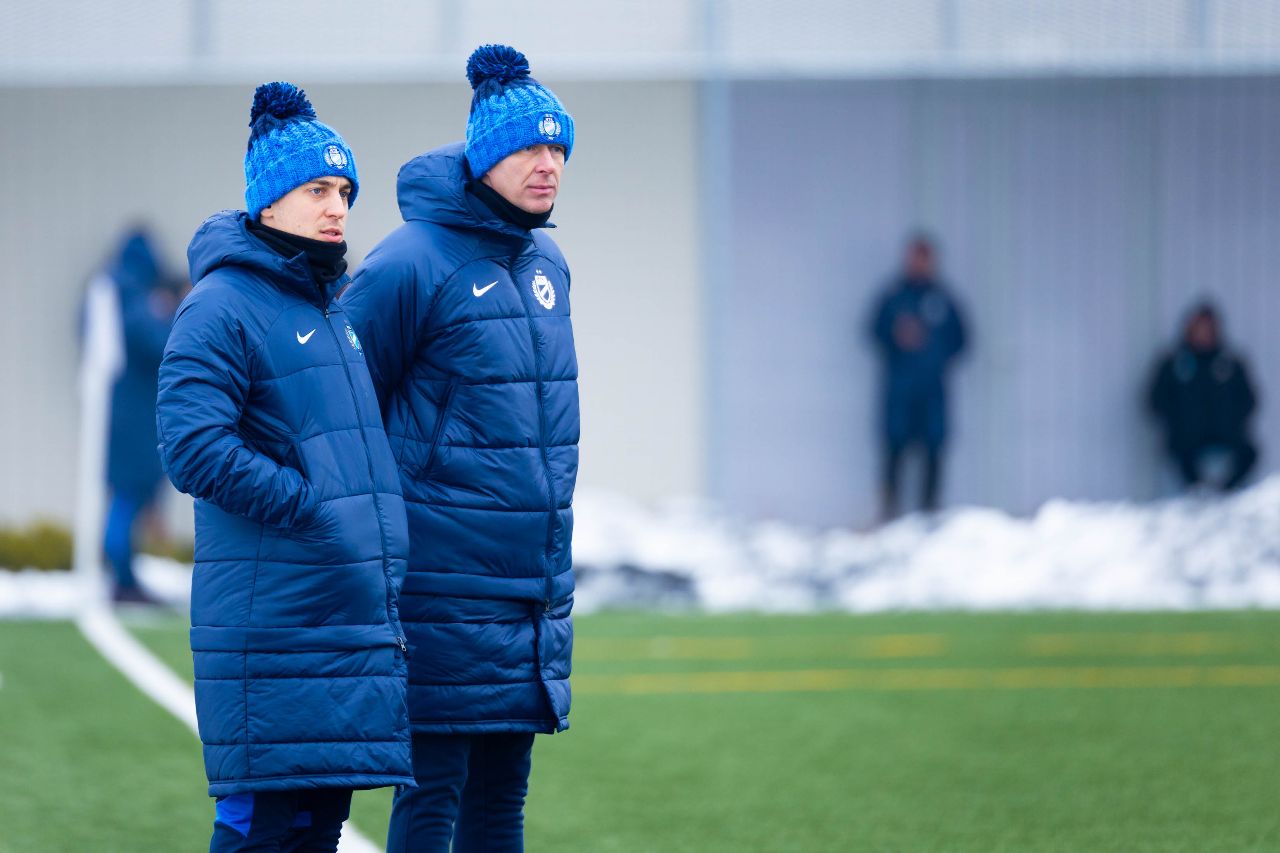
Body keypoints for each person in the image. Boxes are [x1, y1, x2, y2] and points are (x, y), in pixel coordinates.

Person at [155, 82, 413, 852]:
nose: (337, 208)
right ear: (269, 201)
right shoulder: (221, 304)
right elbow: (191, 444)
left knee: (318, 823)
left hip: (340, 614)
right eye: (317, 190)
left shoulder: (328, 306)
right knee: (260, 823)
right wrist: (308, 506)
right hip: (272, 619)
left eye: (344, 192)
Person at [341, 44, 577, 852]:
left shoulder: (548, 263)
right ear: (484, 156)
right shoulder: (410, 262)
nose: (548, 165)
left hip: (528, 589)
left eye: (558, 148)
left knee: (501, 800)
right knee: (433, 792)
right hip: (439, 586)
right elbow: (343, 410)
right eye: (529, 147)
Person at [97, 227, 184, 604]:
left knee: (127, 495)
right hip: (136, 417)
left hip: (123, 413)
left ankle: (123, 575)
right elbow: (164, 345)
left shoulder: (113, 294)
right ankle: (123, 578)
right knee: (128, 495)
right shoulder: (136, 302)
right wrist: (173, 312)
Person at [868, 234, 968, 520]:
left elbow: (961, 340)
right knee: (895, 451)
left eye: (924, 259)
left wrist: (934, 354)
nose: (919, 264)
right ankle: (889, 513)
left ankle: (929, 514)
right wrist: (897, 336)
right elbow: (874, 332)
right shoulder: (894, 297)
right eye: (915, 258)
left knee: (932, 452)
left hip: (932, 392)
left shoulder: (943, 299)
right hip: (900, 392)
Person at [1148, 302, 1259, 492]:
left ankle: (1227, 492)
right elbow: (1156, 399)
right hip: (1187, 437)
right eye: (1199, 328)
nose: (1203, 334)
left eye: (1208, 328)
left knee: (1249, 453)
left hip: (1227, 435)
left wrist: (1232, 421)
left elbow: (1249, 399)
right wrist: (1179, 420)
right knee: (1180, 449)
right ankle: (1198, 491)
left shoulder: (1229, 363)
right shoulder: (1176, 363)